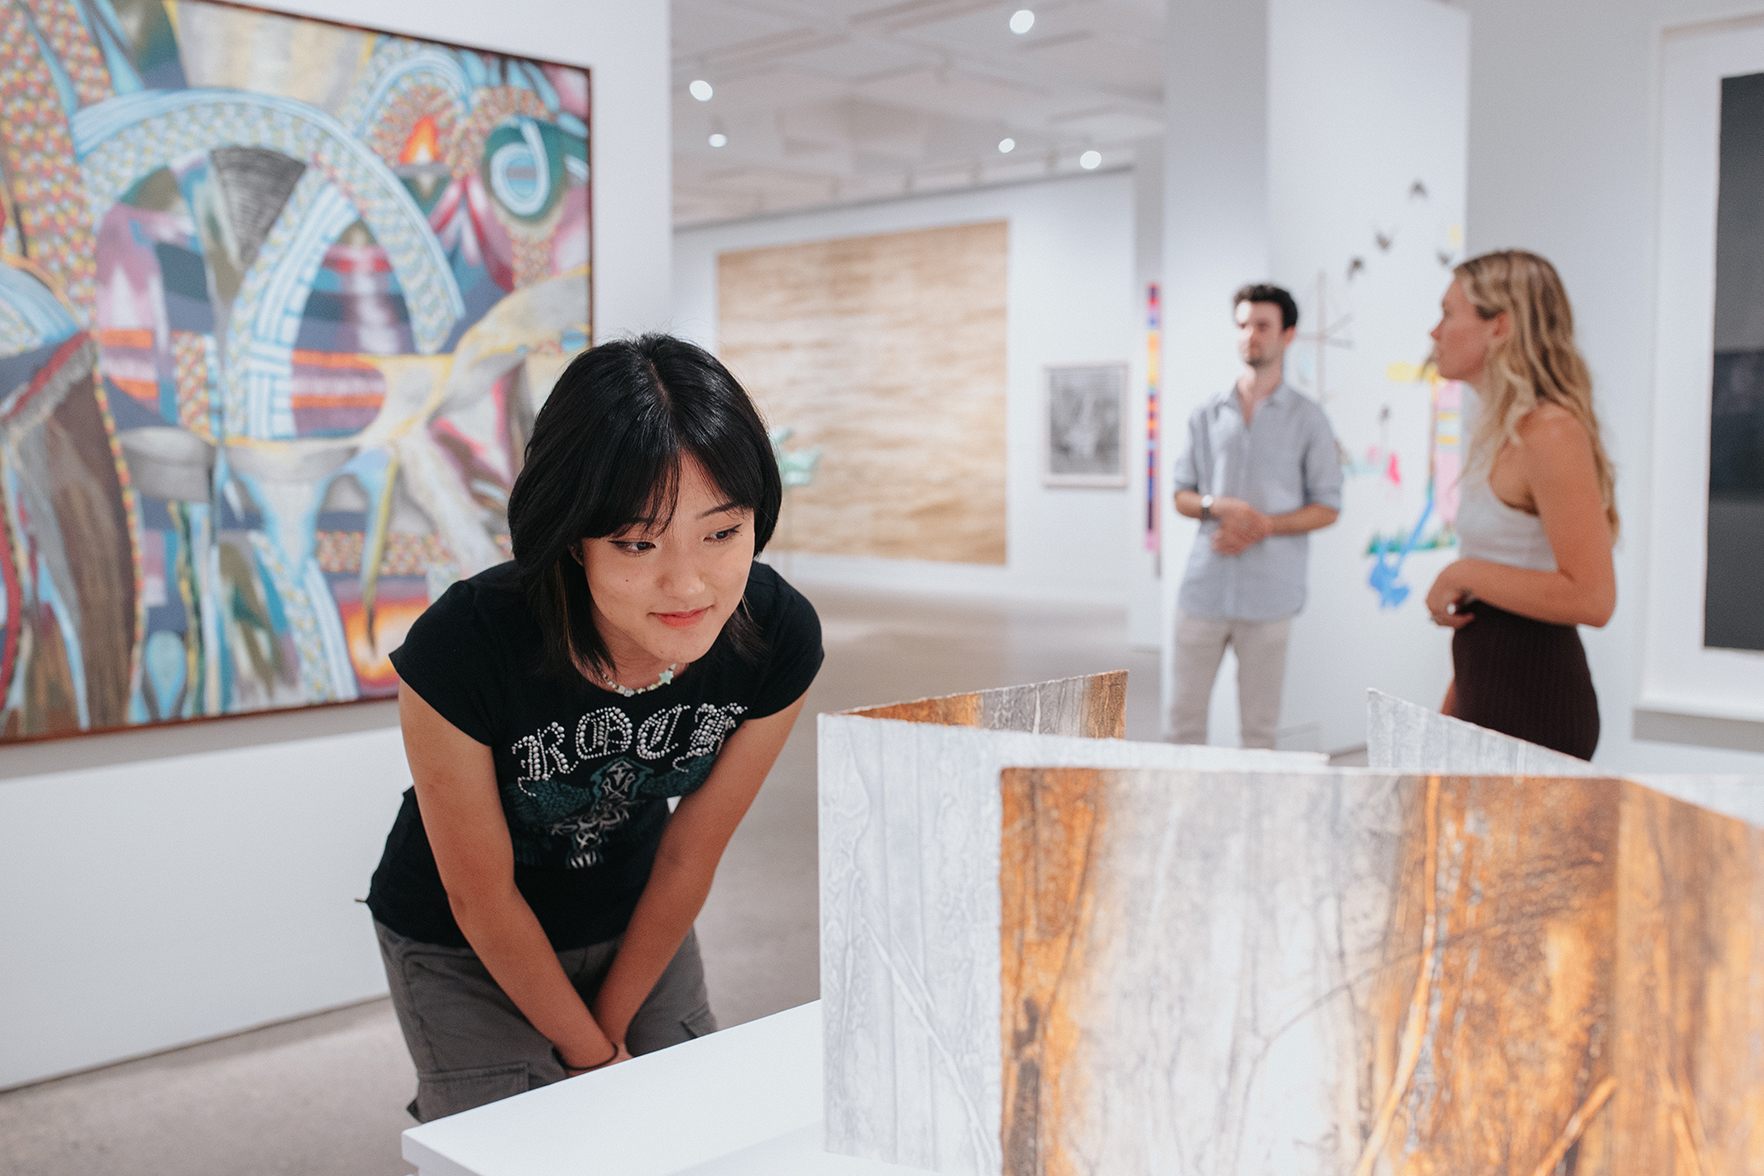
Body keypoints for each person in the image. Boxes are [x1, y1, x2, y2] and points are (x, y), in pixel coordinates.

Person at [365, 334, 823, 1122]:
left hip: (634, 906)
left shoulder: (776, 635)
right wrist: (589, 1054)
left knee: (680, 1121)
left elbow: (689, 853)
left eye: (722, 533)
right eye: (636, 543)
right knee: (515, 1141)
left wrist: (608, 1037)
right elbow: (479, 894)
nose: (687, 584)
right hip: (460, 939)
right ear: (574, 538)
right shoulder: (466, 644)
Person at [1424, 251, 1616, 759]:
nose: (1434, 332)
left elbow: (1593, 598)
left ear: (1498, 327)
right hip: (1487, 689)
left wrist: (1464, 573)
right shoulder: (1494, 430)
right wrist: (1456, 701)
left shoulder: (1551, 433)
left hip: (1537, 701)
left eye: (1448, 313)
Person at [1169, 284, 1342, 748]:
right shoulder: (1207, 414)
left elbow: (1328, 506)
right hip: (1203, 589)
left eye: (1262, 326)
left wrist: (1267, 525)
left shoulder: (1309, 420)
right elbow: (1181, 495)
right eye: (1243, 325)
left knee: (1259, 731)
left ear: (1288, 335)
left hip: (1270, 596)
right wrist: (1219, 506)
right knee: (1181, 724)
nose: (1250, 335)